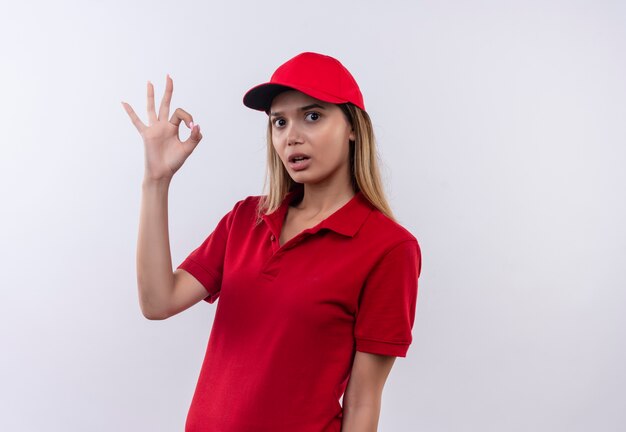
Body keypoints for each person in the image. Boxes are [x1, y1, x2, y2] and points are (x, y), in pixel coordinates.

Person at [122, 52, 422, 432]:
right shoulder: (246, 219)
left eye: (312, 116)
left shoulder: (389, 248)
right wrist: (156, 180)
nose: (291, 135)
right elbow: (158, 302)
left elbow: (363, 401)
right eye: (279, 122)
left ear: (352, 127)